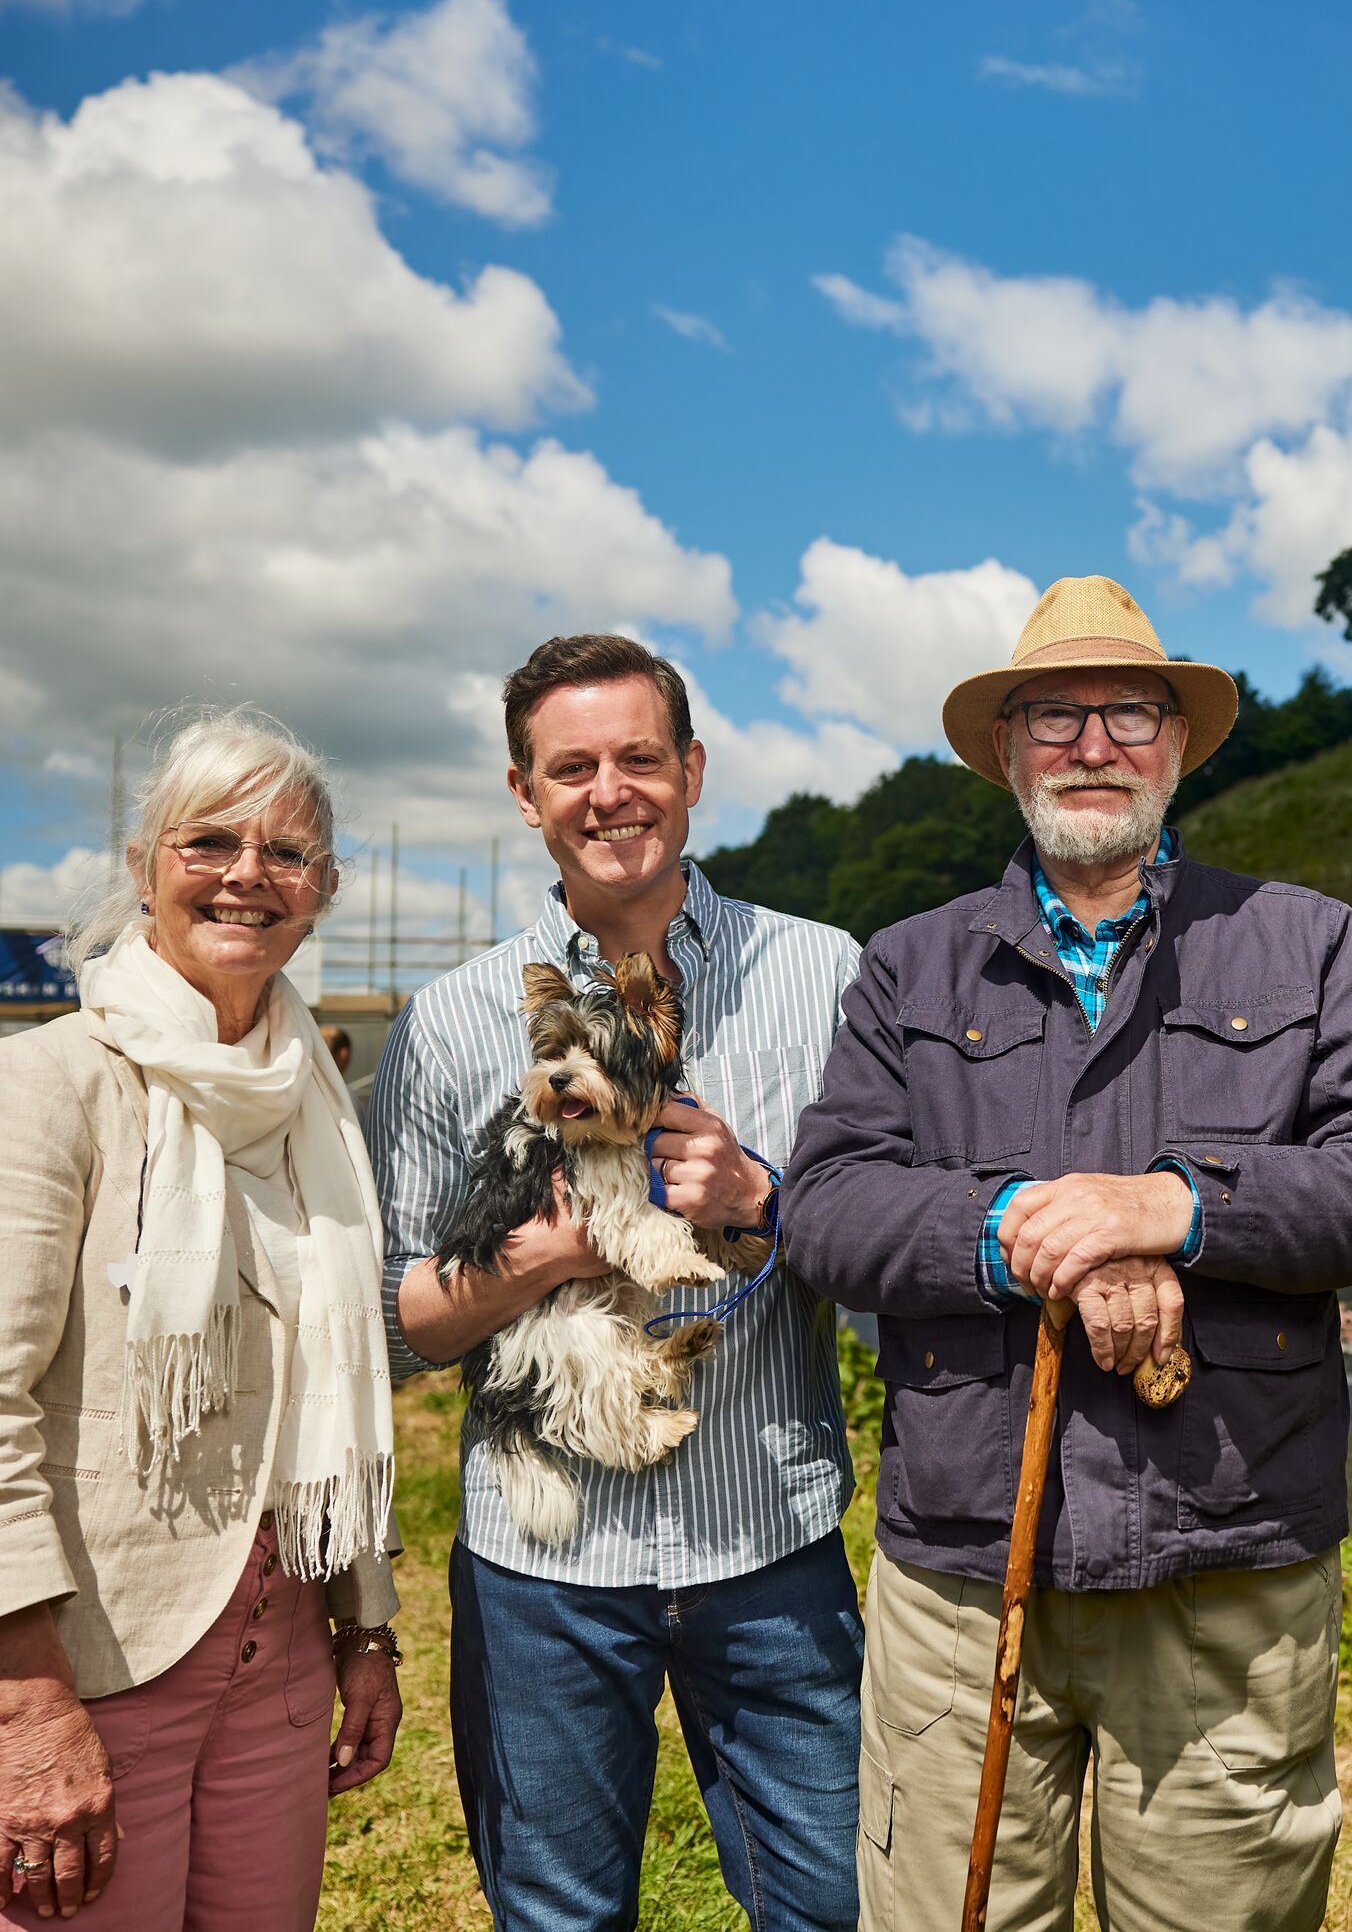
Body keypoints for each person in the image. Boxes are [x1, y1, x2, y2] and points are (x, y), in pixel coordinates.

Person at [782, 576, 1352, 1932]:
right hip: (965, 1572)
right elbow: (826, 1206)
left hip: (1228, 1555)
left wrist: (1172, 1207)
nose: (1094, 743)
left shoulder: (1305, 942)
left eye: (1128, 710)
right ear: (1009, 752)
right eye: (1054, 715)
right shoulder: (911, 969)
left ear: (1178, 742)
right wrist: (1029, 1227)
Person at [0, 710, 404, 1930]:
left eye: (287, 852)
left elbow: (332, 1400)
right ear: (146, 865)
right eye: (210, 840)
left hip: (275, 1671)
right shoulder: (41, 1085)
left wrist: (366, 1633)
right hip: (55, 1668)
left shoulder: (322, 1114)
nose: (249, 873)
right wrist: (34, 1708)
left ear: (324, 891)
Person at [369, 634, 865, 1932]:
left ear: (692, 770)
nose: (610, 791)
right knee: (557, 1918)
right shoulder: (448, 1021)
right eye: (571, 766)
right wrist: (556, 1250)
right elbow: (389, 1327)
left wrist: (762, 1202)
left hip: (771, 1534)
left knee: (831, 1906)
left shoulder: (827, 978)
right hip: (538, 1571)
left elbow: (885, 1271)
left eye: (639, 757)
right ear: (525, 796)